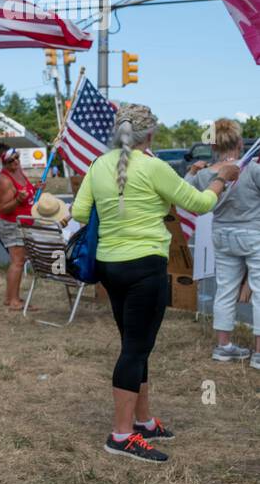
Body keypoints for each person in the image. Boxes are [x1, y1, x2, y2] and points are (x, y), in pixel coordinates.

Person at [71, 104, 236, 464]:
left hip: (110, 266)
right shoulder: (152, 166)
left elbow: (80, 212)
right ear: (149, 135)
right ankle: (120, 435)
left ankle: (142, 421)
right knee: (135, 349)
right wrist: (222, 177)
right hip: (145, 265)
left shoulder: (100, 164)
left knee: (136, 344)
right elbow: (199, 202)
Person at [187, 118, 260, 366]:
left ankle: (224, 345)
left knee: (225, 289)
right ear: (240, 143)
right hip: (252, 233)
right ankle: (259, 353)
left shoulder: (206, 174)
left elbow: (186, 193)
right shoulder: (251, 169)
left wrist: (192, 171)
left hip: (221, 234)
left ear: (214, 145)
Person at [0, 143, 37, 309]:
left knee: (19, 261)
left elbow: (27, 191)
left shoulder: (18, 171)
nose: (16, 163)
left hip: (23, 222)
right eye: (11, 161)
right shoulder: (4, 180)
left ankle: (10, 297)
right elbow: (4, 207)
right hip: (12, 224)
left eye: (17, 158)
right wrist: (18, 200)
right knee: (18, 262)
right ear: (5, 163)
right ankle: (14, 301)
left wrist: (36, 188)